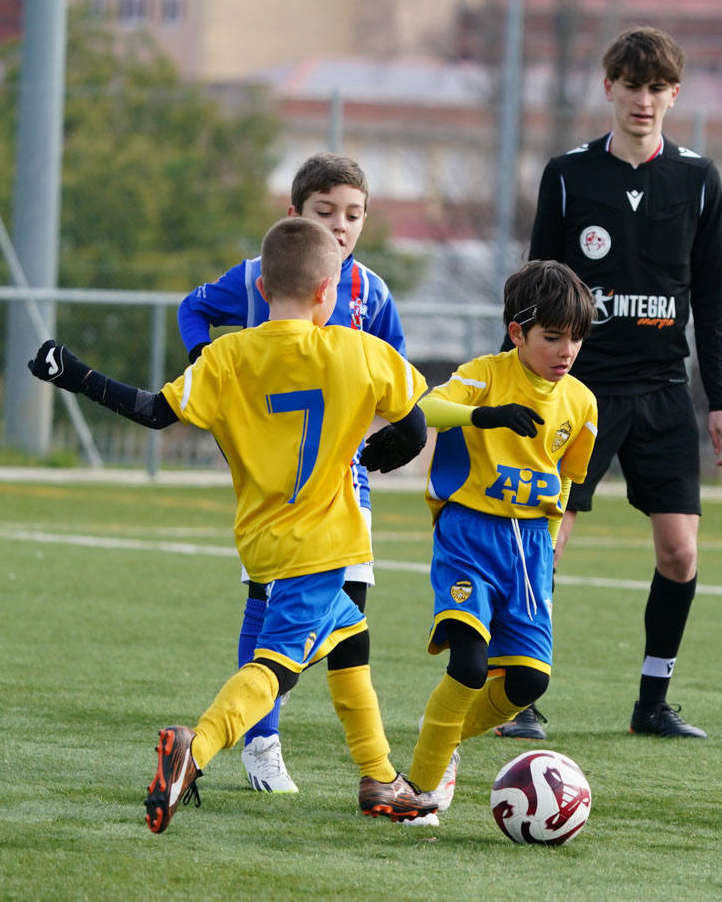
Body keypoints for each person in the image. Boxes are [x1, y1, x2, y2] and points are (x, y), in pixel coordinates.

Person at [28, 217, 437, 833]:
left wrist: (77, 374)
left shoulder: (226, 356)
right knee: (275, 667)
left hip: (263, 540)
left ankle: (379, 777)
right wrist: (379, 456)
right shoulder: (362, 352)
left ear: (265, 288)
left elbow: (152, 413)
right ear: (330, 292)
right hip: (327, 542)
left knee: (351, 641)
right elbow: (412, 427)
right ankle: (197, 746)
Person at [518, 26, 722, 740]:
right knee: (544, 544)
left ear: (674, 96)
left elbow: (710, 298)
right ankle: (518, 696)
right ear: (608, 88)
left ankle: (653, 702)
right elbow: (533, 285)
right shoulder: (567, 175)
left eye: (657, 88)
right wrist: (519, 385)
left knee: (680, 553)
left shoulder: (697, 180)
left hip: (662, 391)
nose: (643, 100)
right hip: (577, 390)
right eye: (631, 85)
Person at [175, 152, 405, 794]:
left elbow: (399, 378)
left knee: (349, 612)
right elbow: (192, 308)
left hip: (344, 474)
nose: (339, 225)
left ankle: (373, 771)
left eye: (353, 215)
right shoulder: (257, 277)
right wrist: (205, 362)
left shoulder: (373, 293)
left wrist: (381, 440)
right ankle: (262, 740)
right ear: (294, 216)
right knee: (270, 600)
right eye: (323, 212)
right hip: (275, 477)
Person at [401, 260, 598, 823]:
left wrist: (555, 538)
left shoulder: (582, 404)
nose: (566, 351)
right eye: (552, 337)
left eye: (576, 339)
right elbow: (426, 408)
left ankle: (443, 738)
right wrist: (483, 416)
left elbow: (565, 476)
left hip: (531, 546)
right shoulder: (486, 373)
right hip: (470, 534)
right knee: (468, 664)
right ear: (518, 332)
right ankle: (418, 788)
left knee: (529, 679)